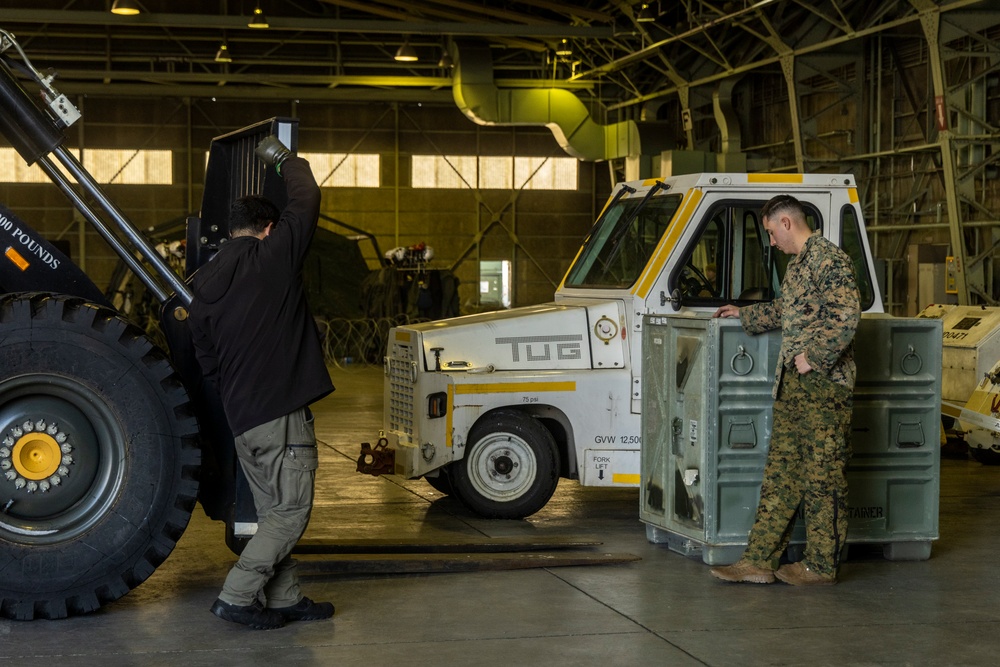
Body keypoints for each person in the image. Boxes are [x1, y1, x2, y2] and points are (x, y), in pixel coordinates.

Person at [188, 138, 336, 628]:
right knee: (291, 512)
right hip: (279, 417)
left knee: (273, 511)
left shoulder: (203, 284)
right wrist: (284, 159)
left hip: (242, 419)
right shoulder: (271, 260)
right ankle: (238, 594)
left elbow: (207, 362)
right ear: (268, 230)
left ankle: (284, 597)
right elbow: (308, 198)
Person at [709, 194, 860, 586]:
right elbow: (785, 311)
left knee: (822, 477)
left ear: (787, 223)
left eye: (772, 233)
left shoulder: (829, 259)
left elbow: (846, 314)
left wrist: (814, 356)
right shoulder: (798, 266)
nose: (772, 241)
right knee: (781, 474)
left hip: (824, 386)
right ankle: (759, 560)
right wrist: (745, 314)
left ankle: (821, 566)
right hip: (794, 386)